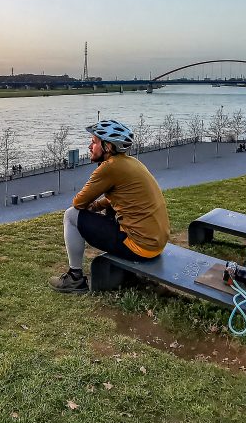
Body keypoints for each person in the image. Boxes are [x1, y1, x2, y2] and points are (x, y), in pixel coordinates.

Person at [50, 119, 170, 294]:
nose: (90, 147)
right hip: (156, 243)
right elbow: (124, 197)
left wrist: (92, 206)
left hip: (140, 247)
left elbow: (78, 203)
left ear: (107, 147)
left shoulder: (109, 168)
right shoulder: (131, 163)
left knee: (71, 215)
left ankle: (74, 278)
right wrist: (98, 205)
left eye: (93, 142)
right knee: (102, 212)